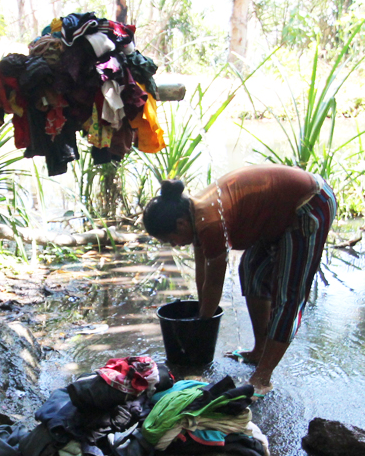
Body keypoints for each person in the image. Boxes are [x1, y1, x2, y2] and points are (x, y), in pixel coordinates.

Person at [141, 166, 335, 394]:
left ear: (181, 224)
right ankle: (259, 350)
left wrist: (201, 325)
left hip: (309, 204)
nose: (173, 245)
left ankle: (263, 377)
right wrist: (201, 315)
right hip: (279, 214)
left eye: (169, 239)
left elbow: (214, 283)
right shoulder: (194, 213)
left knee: (288, 295)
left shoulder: (209, 221)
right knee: (252, 269)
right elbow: (202, 270)